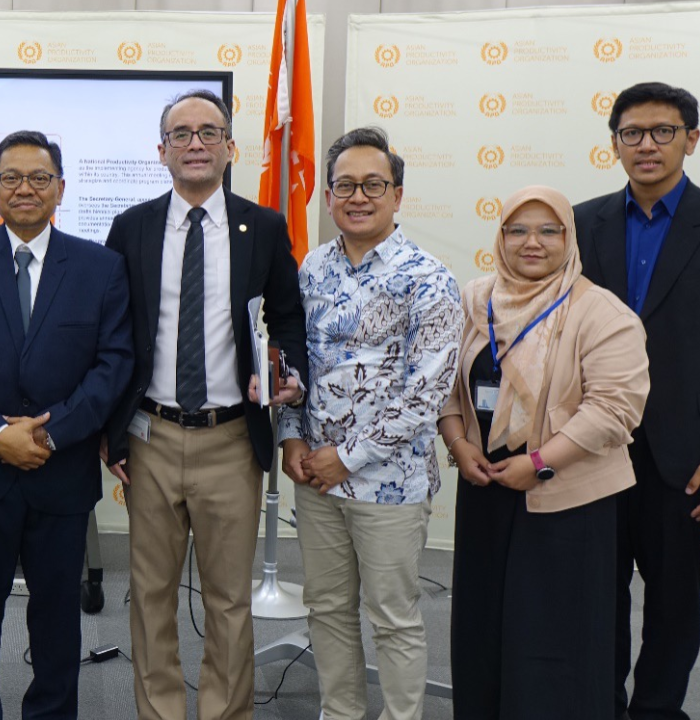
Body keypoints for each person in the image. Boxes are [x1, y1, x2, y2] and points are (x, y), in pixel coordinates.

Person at [102, 90, 308, 720]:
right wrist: (112, 432)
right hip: (152, 437)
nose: (196, 143)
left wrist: (286, 372)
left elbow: (288, 317)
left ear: (230, 147)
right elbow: (111, 334)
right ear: (161, 150)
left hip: (231, 440)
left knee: (228, 600)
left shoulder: (262, 227)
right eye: (182, 134)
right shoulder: (132, 227)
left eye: (209, 132)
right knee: (150, 595)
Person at [0, 130, 132, 720]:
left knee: (58, 617)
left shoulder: (100, 267)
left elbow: (113, 364)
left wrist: (50, 432)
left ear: (60, 188)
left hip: (59, 471)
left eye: (39, 178)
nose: (25, 189)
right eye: (11, 178)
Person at [440, 185, 649, 719]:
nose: (532, 242)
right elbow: (443, 384)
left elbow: (613, 409)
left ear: (568, 237)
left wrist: (538, 463)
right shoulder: (474, 300)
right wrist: (459, 443)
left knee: (554, 637)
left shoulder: (601, 312)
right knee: (483, 630)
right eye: (518, 230)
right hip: (486, 488)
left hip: (567, 501)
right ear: (500, 237)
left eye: (548, 231)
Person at [276, 127, 462, 720]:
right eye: (345, 185)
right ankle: (341, 713)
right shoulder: (311, 269)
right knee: (327, 609)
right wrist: (291, 435)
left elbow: (426, 392)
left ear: (397, 195)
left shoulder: (429, 278)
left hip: (389, 483)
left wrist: (347, 458)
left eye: (373, 185)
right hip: (315, 478)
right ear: (329, 195)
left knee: (393, 617)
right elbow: (295, 361)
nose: (358, 197)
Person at [574, 81, 700, 720]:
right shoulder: (581, 222)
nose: (647, 145)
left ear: (693, 138)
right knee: (593, 598)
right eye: (632, 133)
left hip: (685, 453)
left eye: (664, 131)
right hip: (591, 446)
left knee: (673, 602)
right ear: (615, 144)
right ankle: (598, 706)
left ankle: (658, 711)